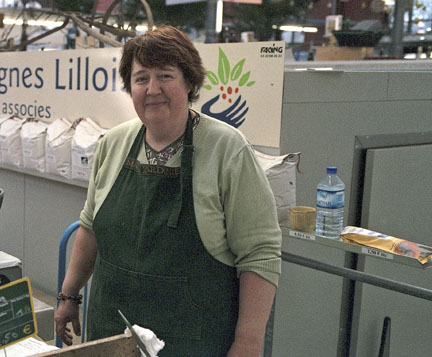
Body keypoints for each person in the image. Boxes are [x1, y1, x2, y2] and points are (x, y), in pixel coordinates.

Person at [54, 26, 281, 356]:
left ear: (189, 82)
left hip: (192, 340)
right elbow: (90, 226)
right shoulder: (114, 143)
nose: (152, 89)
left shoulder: (227, 150)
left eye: (165, 75)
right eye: (141, 77)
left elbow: (260, 252)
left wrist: (248, 342)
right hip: (111, 333)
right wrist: (69, 294)